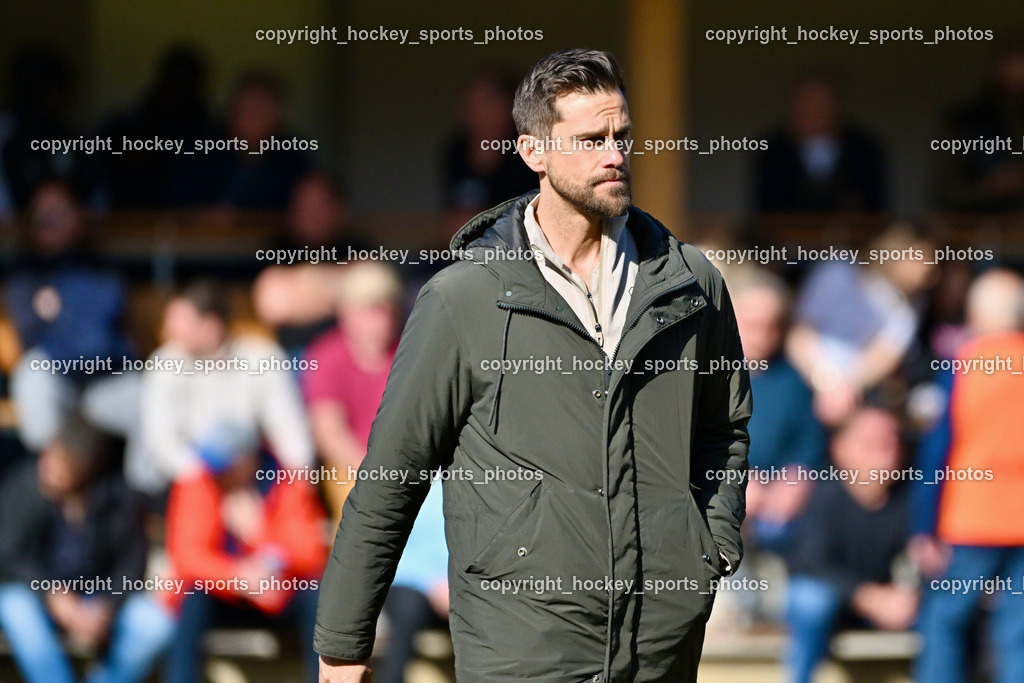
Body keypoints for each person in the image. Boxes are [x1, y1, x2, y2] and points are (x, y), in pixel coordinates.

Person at [316, 48, 752, 683]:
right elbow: (392, 476)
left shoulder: (691, 285)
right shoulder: (464, 298)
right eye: (591, 140)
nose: (615, 155)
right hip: (520, 646)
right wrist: (342, 646)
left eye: (622, 136)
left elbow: (724, 429)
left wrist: (706, 548)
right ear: (532, 152)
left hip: (659, 645)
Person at [0, 415, 175, 683]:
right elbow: (8, 555)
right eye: (49, 459)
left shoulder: (118, 498)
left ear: (87, 467)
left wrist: (107, 607)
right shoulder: (25, 486)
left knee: (154, 623)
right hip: (39, 593)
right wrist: (51, 593)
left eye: (62, 465)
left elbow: (131, 566)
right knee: (15, 606)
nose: (49, 470)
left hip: (97, 595)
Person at [912, 268, 1024, 683]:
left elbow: (936, 452)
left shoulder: (964, 366)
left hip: (972, 520)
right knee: (1017, 631)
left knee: (945, 622)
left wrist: (924, 525)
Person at [5, 181, 148, 489]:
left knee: (150, 403)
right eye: (41, 216)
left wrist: (61, 308)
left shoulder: (102, 267)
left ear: (79, 217)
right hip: (60, 383)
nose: (49, 222)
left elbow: (106, 320)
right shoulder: (24, 273)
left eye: (58, 213)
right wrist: (74, 314)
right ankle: (55, 489)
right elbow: (30, 332)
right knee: (33, 374)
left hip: (105, 382)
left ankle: (142, 499)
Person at [161, 420, 328, 683]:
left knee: (316, 595)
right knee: (192, 596)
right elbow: (187, 556)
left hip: (279, 597)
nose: (218, 473)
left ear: (249, 461)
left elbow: (310, 553)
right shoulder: (200, 481)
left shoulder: (285, 483)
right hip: (227, 597)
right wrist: (239, 577)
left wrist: (257, 536)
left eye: (225, 466)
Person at [139, 277, 314, 491]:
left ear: (211, 327)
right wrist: (211, 486)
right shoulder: (164, 365)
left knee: (296, 494)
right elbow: (162, 442)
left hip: (257, 474)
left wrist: (298, 478)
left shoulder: (262, 357)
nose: (168, 330)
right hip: (193, 480)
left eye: (181, 322)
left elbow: (288, 426)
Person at [784, 407, 916, 683]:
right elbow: (809, 563)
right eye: (870, 443)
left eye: (890, 441)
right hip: (837, 601)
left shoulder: (912, 500)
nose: (884, 451)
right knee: (809, 600)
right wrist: (866, 596)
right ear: (840, 449)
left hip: (890, 607)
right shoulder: (823, 496)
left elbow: (928, 561)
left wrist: (910, 596)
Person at [786, 224, 936, 426]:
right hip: (802, 381)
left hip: (853, 398)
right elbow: (799, 333)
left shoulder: (910, 308)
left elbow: (884, 355)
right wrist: (826, 382)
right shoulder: (839, 271)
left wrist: (843, 388)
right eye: (922, 258)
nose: (929, 270)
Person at [302, 261, 402, 524]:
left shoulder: (409, 353)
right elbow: (328, 432)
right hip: (351, 471)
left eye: (388, 309)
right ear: (347, 313)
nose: (382, 320)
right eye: (371, 310)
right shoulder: (327, 355)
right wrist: (372, 474)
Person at [754, 72, 887, 213]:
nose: (805, 110)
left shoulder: (865, 150)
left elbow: (874, 209)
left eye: (816, 103)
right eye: (801, 102)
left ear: (837, 107)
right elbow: (766, 211)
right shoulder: (772, 151)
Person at [375, 479, 449, 683]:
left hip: (464, 587)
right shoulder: (403, 486)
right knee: (408, 607)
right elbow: (389, 553)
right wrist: (432, 583)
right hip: (416, 589)